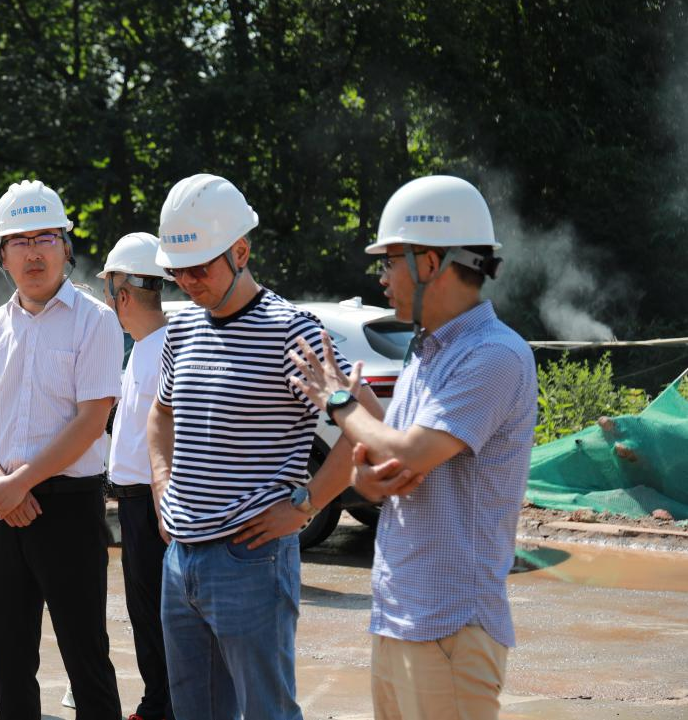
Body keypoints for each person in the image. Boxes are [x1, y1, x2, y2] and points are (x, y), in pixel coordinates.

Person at [288, 174, 537, 720]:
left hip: (450, 628)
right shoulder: (427, 353)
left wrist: (340, 404)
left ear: (429, 262)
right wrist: (365, 473)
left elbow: (410, 453)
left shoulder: (494, 355)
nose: (382, 278)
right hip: (400, 617)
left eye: (389, 261)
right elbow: (391, 460)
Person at [146, 173, 372, 720]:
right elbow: (160, 414)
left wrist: (308, 504)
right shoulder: (182, 329)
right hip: (180, 558)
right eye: (177, 271)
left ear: (241, 252)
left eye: (199, 268)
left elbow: (361, 422)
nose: (187, 281)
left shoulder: (291, 331)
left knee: (267, 712)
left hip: (250, 558)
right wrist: (162, 487)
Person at [0, 179, 125, 720]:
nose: (34, 252)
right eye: (20, 241)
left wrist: (18, 483)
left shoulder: (95, 320)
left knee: (85, 654)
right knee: (8, 657)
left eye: (45, 238)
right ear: (2, 255)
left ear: (66, 247)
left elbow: (92, 420)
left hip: (68, 507)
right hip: (0, 506)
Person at [97, 233, 174, 720]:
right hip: (134, 501)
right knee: (146, 613)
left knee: (157, 615)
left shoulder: (164, 349)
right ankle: (159, 702)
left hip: (153, 504)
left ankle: (162, 706)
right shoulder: (145, 347)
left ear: (121, 293)